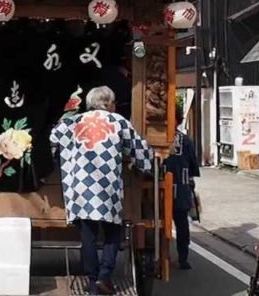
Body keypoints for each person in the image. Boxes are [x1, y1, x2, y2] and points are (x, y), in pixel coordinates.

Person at [50, 86, 154, 295]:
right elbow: (141, 151)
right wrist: (148, 168)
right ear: (109, 103)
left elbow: (52, 140)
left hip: (79, 187)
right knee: (113, 233)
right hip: (107, 186)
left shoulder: (72, 121)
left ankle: (91, 282)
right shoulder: (118, 121)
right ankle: (104, 276)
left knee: (87, 236)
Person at [165, 103, 200, 270]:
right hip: (182, 187)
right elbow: (193, 166)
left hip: (160, 188)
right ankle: (183, 258)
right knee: (181, 225)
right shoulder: (185, 141)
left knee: (160, 224)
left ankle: (163, 258)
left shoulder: (156, 139)